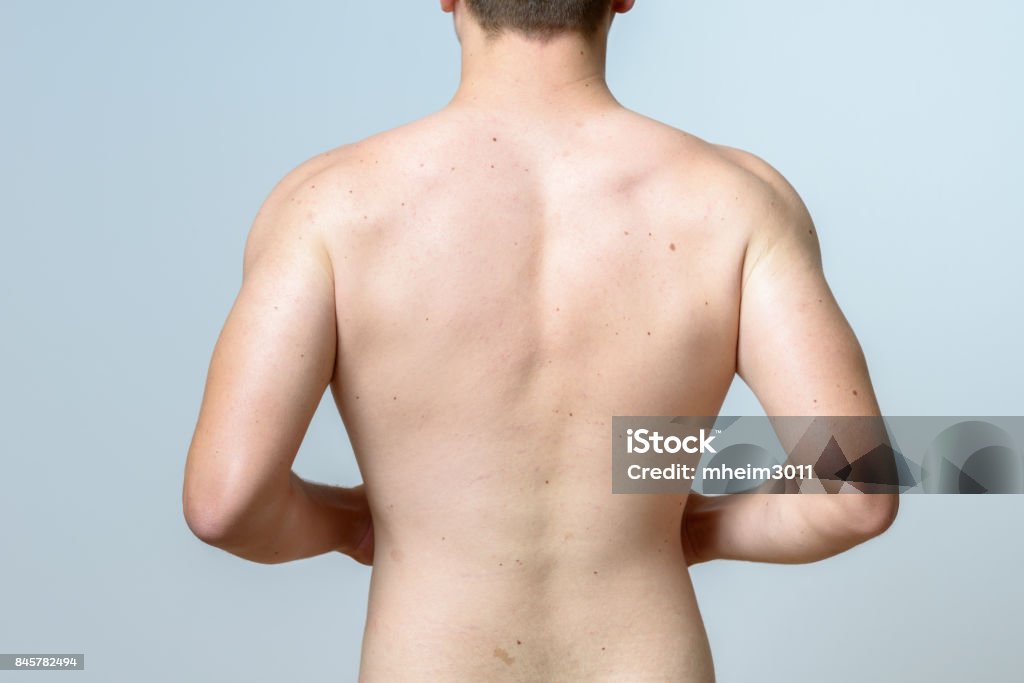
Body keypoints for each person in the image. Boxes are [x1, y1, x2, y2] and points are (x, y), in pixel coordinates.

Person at [182, 1, 899, 679]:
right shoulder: (735, 201)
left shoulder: (327, 206)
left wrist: (355, 525)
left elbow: (225, 504)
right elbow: (857, 490)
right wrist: (684, 528)